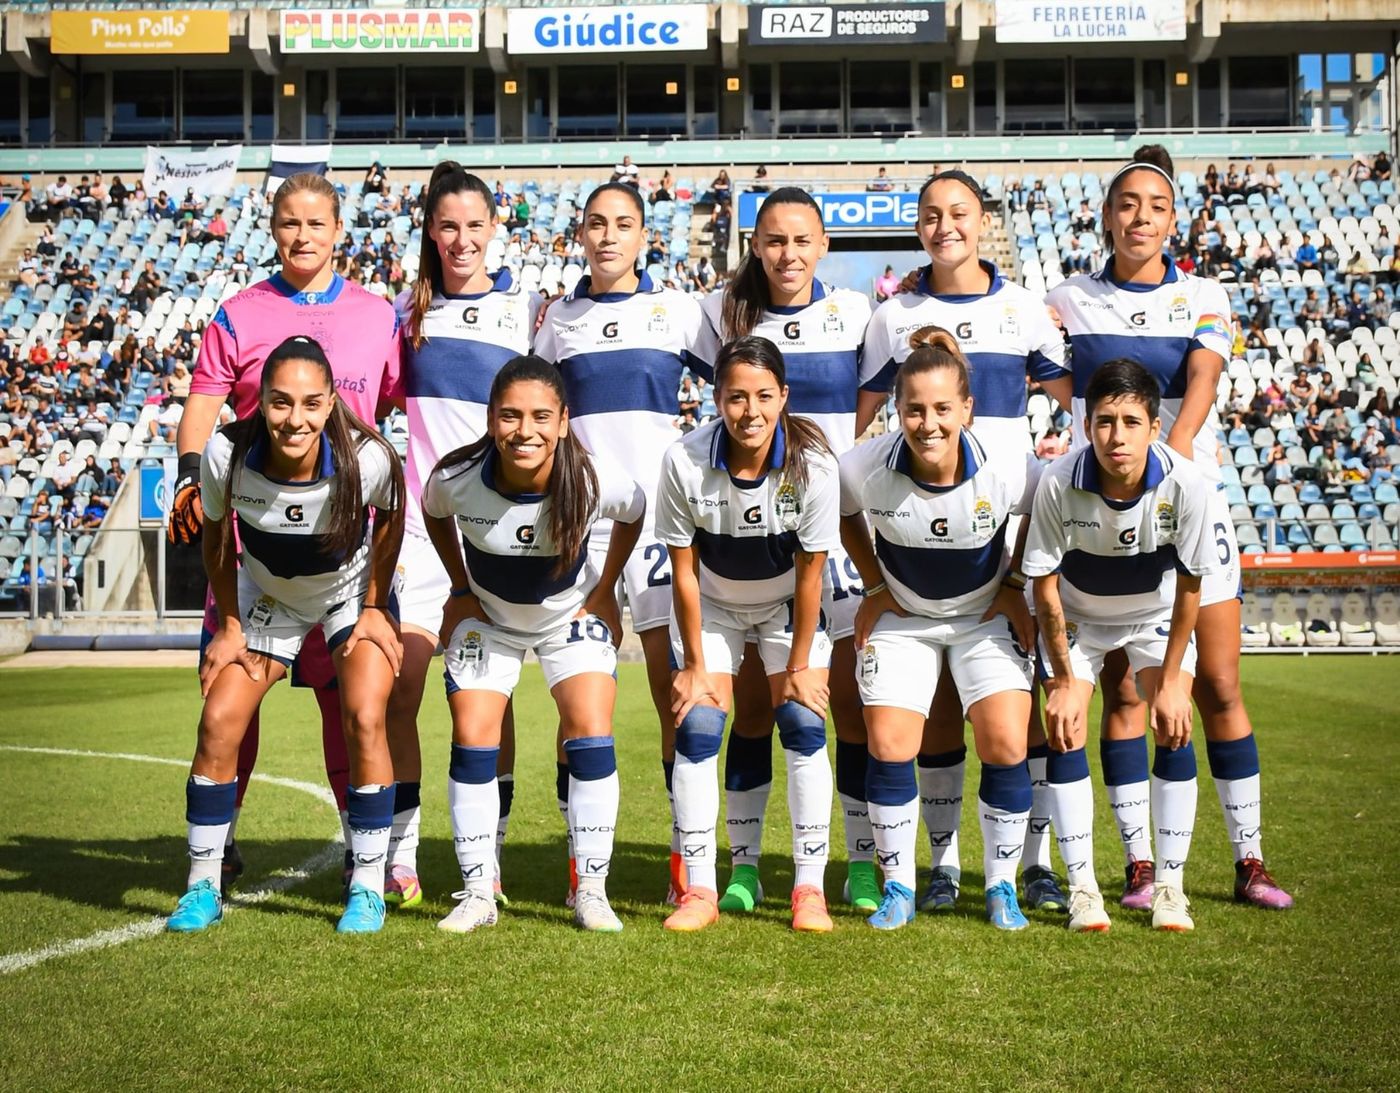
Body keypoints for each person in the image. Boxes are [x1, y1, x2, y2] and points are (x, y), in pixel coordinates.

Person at [1044, 144, 1293, 911]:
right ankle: (1140, 868)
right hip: (1105, 498)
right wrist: (1078, 430)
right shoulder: (1066, 296)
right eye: (1126, 204)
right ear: (1107, 215)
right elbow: (1045, 369)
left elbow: (1203, 386)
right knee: (1123, 690)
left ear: (1173, 217)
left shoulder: (1205, 294)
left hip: (1183, 497)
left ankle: (1249, 859)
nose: (1140, 217)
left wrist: (1167, 466)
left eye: (1154, 206)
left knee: (1212, 681)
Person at [168, 172, 403, 899]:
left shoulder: (378, 315)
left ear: (340, 231)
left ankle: (371, 857)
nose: (302, 236)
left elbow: (392, 412)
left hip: (343, 544)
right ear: (272, 230)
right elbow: (203, 406)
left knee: (355, 704)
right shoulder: (239, 314)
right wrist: (187, 478)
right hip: (255, 546)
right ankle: (221, 844)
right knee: (227, 693)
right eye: (288, 223)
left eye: (315, 223)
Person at [871, 169, 1074, 915]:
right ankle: (944, 864)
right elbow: (860, 420)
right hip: (924, 531)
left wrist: (1066, 459)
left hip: (1009, 534)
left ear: (983, 219)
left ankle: (1034, 864)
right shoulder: (892, 314)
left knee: (1014, 722)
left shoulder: (1023, 307)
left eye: (958, 212)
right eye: (929, 214)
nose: (944, 224)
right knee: (935, 718)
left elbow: (1077, 398)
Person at [691, 187, 878, 912]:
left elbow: (869, 403)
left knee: (845, 708)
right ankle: (743, 867)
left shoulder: (858, 313)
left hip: (833, 528)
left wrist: (830, 466)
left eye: (802, 240)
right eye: (773, 240)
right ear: (754, 245)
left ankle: (859, 861)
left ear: (824, 245)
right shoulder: (724, 314)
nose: (788, 253)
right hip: (755, 531)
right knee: (752, 709)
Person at [422, 356, 644, 933]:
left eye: (542, 416)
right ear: (492, 420)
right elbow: (433, 513)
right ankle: (478, 892)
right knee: (473, 736)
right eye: (511, 416)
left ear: (565, 421)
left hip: (568, 614)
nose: (526, 431)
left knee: (590, 727)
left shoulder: (592, 478)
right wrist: (459, 589)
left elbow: (635, 512)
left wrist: (607, 591)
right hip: (489, 619)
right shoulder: (455, 477)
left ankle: (591, 890)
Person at [534, 182, 705, 904]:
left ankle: (681, 864)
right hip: (583, 528)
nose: (608, 236)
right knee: (582, 703)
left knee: (679, 696)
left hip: (662, 530)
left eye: (624, 224)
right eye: (596, 223)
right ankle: (582, 866)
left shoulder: (679, 311)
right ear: (580, 233)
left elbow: (739, 377)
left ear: (645, 237)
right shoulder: (556, 321)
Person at [838, 328, 1040, 931]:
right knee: (890, 743)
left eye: (943, 409)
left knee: (1006, 741)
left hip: (981, 619)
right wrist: (873, 586)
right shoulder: (863, 465)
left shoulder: (1007, 466)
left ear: (967, 410)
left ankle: (1001, 886)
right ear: (897, 410)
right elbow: (845, 515)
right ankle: (902, 883)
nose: (928, 424)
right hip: (904, 619)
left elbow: (1045, 508)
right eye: (915, 409)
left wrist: (1012, 586)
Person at [388, 162, 542, 908]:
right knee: (402, 690)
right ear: (429, 230)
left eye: (473, 225)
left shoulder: (527, 310)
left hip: (501, 534)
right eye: (447, 225)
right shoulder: (404, 313)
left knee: (489, 698)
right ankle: (401, 854)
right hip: (423, 536)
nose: (461, 239)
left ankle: (494, 857)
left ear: (493, 228)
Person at [657, 335, 841, 933]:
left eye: (764, 396)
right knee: (701, 720)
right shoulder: (683, 460)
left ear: (784, 397)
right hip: (712, 605)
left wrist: (803, 663)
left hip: (787, 604)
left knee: (802, 719)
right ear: (716, 398)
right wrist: (691, 664)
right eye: (736, 397)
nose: (750, 411)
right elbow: (683, 572)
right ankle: (702, 891)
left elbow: (811, 575)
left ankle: (808, 889)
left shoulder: (814, 466)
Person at [1024, 359, 1213, 933]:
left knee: (1175, 722)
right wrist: (1061, 680)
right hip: (1080, 619)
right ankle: (1083, 888)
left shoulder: (1187, 483)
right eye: (1104, 421)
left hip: (1153, 616)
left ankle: (1169, 889)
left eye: (1132, 421)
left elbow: (1189, 588)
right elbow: (1046, 589)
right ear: (1087, 426)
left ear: (1155, 428)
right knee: (1065, 725)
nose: (1117, 436)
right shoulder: (1058, 481)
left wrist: (1175, 680)